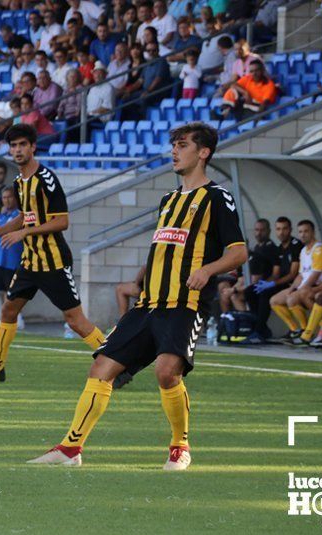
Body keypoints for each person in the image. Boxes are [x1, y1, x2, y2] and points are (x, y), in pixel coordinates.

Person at [28, 122, 246, 468]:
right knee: (101, 367)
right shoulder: (168, 200)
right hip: (147, 304)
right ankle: (70, 449)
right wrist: (139, 282)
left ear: (203, 152)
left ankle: (180, 446)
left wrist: (206, 270)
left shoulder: (218, 198)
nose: (174, 150)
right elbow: (161, 250)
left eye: (183, 144)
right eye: (173, 144)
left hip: (183, 304)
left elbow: (238, 252)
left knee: (166, 372)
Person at [0, 124, 111, 383]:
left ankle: (116, 362)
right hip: (30, 262)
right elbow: (25, 216)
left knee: (75, 320)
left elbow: (61, 221)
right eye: (13, 146)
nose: (18, 150)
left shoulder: (47, 179)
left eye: (23, 144)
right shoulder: (19, 183)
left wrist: (25, 233)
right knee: (8, 311)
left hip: (53, 261)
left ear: (33, 147)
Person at [243, 217, 302, 344]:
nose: (281, 232)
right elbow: (277, 272)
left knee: (265, 293)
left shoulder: (296, 245)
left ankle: (259, 332)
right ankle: (261, 328)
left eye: (285, 229)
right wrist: (267, 282)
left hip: (293, 284)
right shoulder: (279, 248)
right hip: (282, 283)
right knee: (249, 292)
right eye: (279, 229)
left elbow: (293, 274)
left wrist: (272, 283)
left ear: (290, 230)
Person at [269, 220, 322, 343]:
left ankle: (321, 326)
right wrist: (292, 289)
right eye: (300, 232)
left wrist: (299, 290)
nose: (303, 234)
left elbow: (315, 274)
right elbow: (301, 275)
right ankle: (296, 330)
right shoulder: (303, 251)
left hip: (319, 285)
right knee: (274, 300)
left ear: (313, 232)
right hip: (306, 285)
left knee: (293, 298)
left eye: (306, 231)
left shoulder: (319, 249)